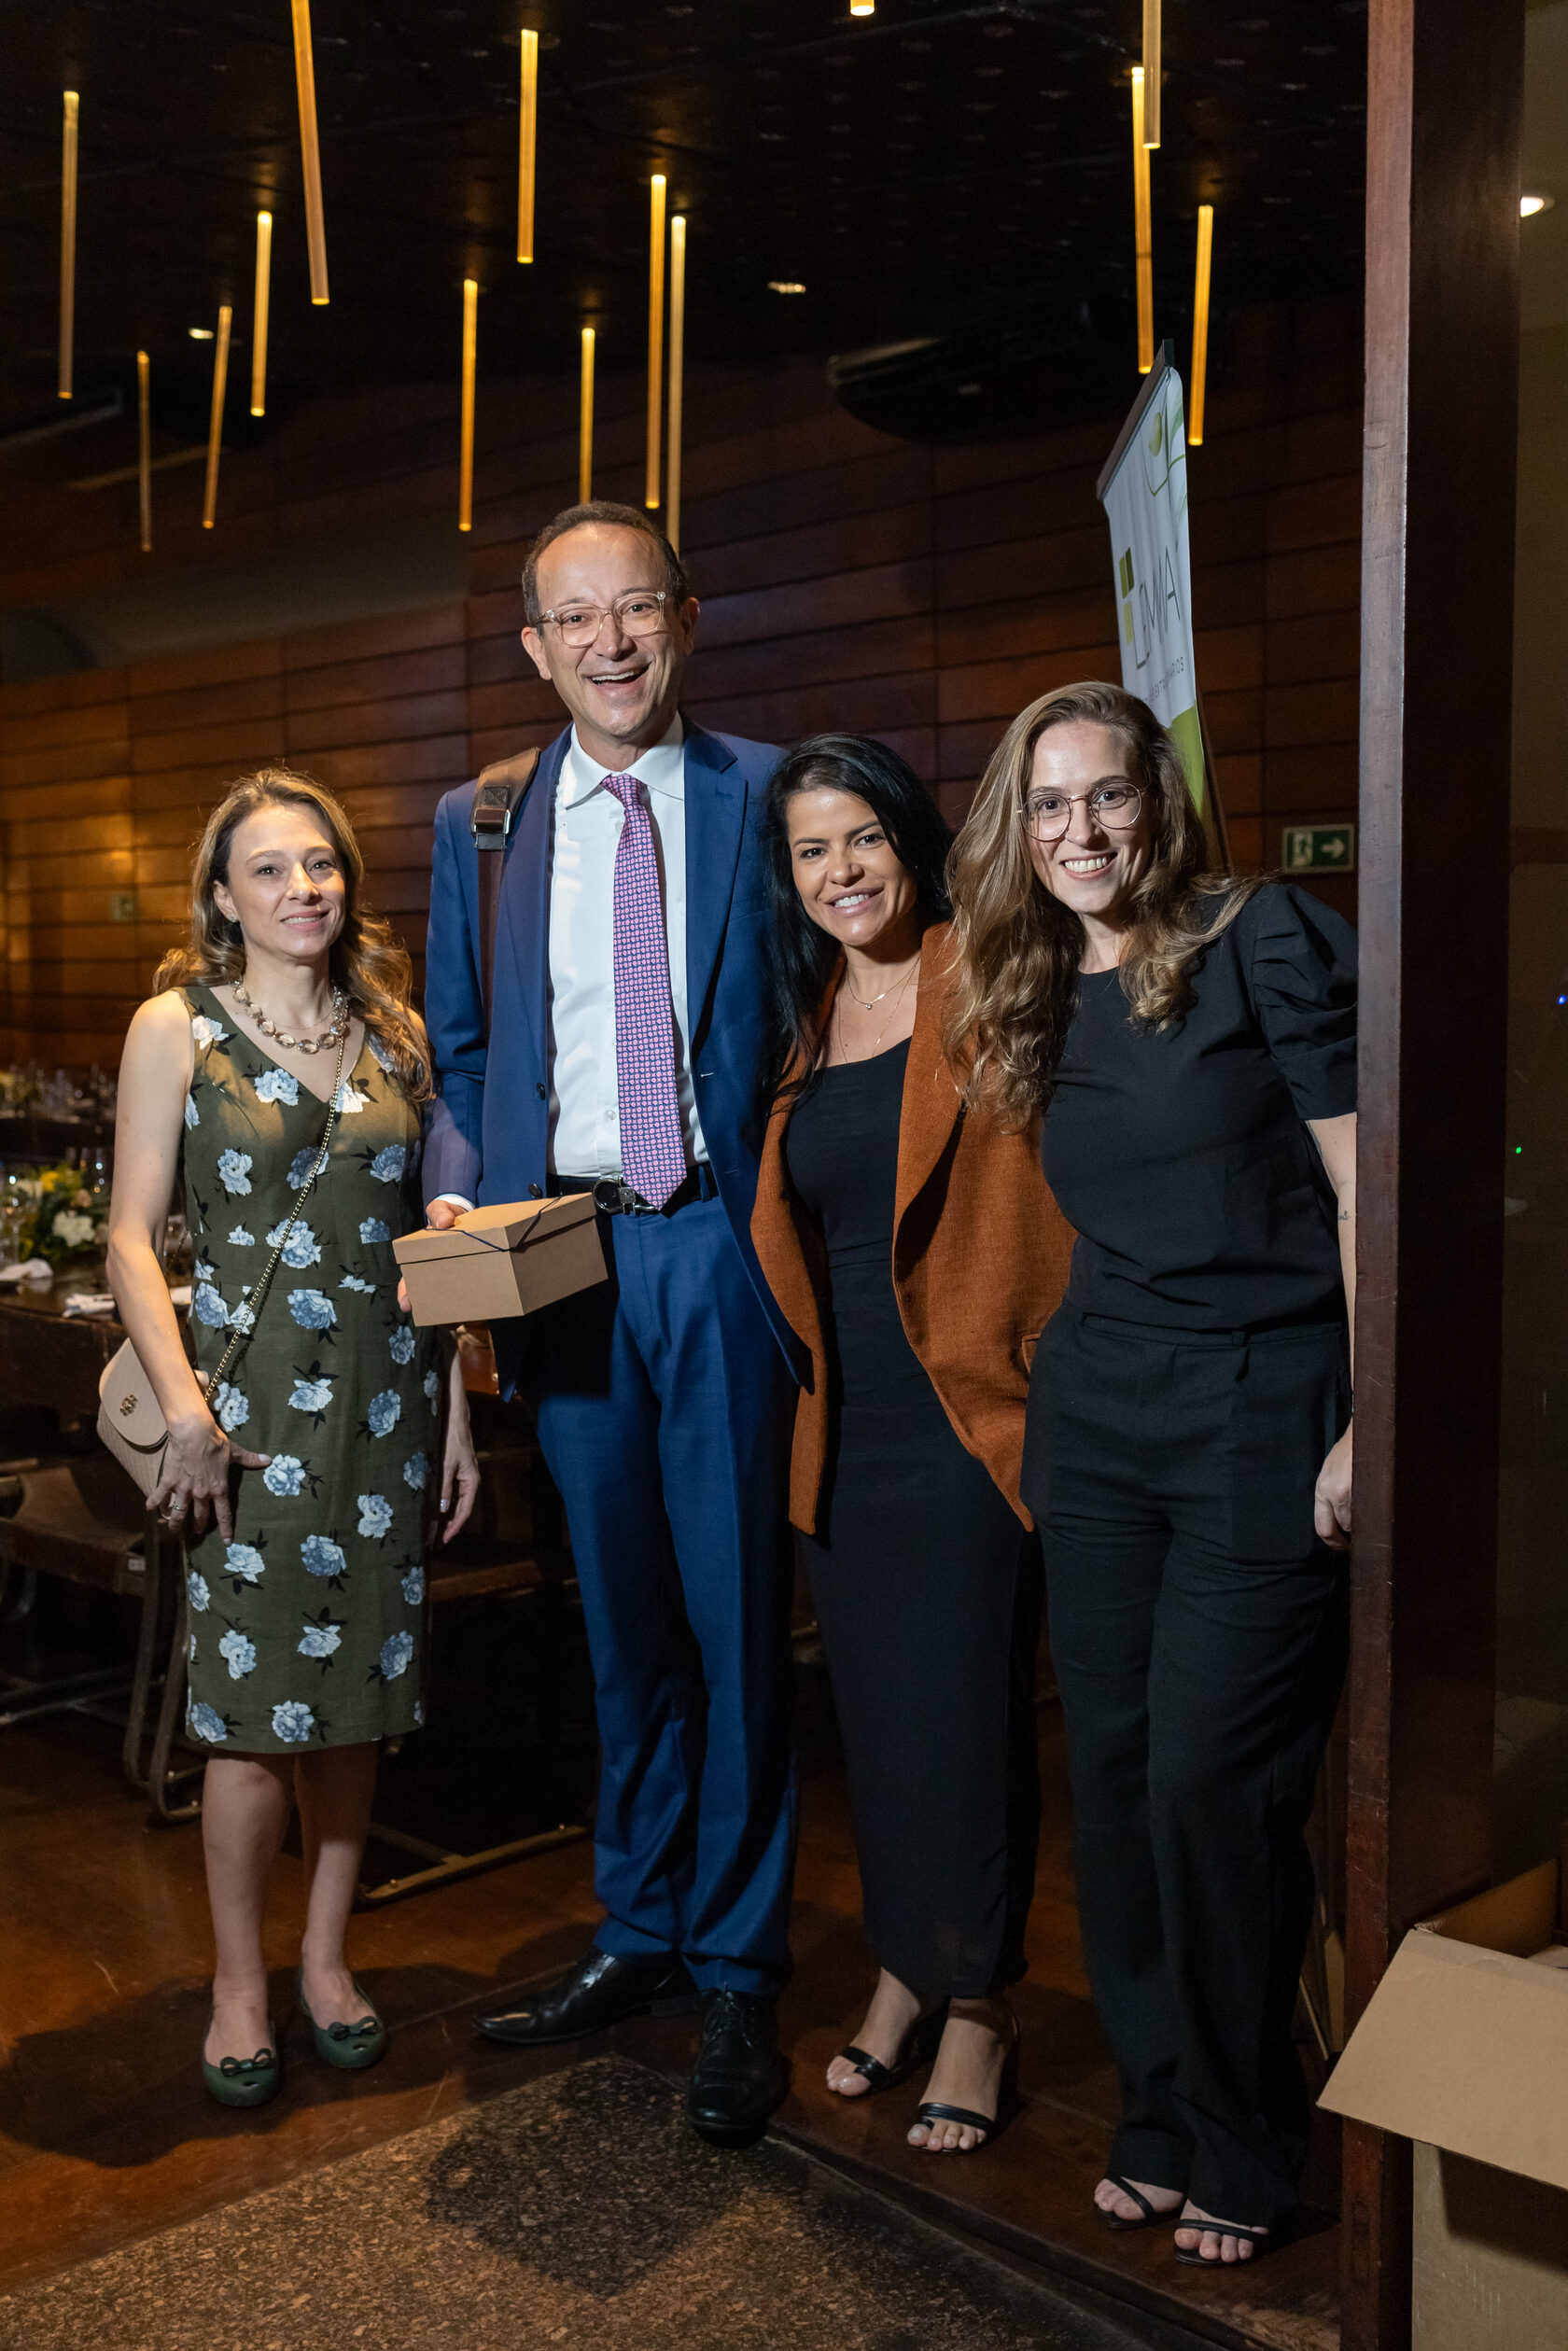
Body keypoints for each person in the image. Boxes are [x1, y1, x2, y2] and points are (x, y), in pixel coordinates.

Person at [945, 681, 1355, 2264]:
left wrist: (1361, 1425)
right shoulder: (1043, 975)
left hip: (1263, 1404)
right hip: (1101, 1415)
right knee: (1111, 1779)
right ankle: (1163, 2103)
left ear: (1159, 802)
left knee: (1212, 1782)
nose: (1079, 833)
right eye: (1047, 808)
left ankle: (1254, 2126)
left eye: (1106, 797)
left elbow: (1362, 1190)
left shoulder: (1264, 938)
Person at [419, 500, 801, 2146]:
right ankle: (637, 1927)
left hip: (716, 1240)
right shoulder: (482, 820)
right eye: (576, 621)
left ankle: (737, 1967)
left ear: (688, 621)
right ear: (535, 647)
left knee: (733, 1623)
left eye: (636, 609)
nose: (611, 643)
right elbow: (458, 1043)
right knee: (621, 1624)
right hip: (563, 1258)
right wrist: (460, 1192)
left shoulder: (769, 792)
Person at [108, 769, 479, 2108]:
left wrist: (454, 1417)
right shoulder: (179, 1027)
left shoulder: (397, 1032)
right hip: (246, 1423)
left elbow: (424, 1252)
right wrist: (191, 1418)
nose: (302, 889)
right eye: (269, 870)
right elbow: (130, 1240)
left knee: (355, 1708)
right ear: (223, 896)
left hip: (385, 1413)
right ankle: (237, 1984)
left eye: (319, 864)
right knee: (251, 1720)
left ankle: (325, 1960)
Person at [749, 735, 1072, 2152]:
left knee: (964, 1722)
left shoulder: (988, 971)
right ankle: (901, 1966)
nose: (840, 871)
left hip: (963, 1411)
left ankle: (981, 2002)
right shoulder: (807, 1012)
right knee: (874, 1727)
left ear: (910, 842)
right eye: (813, 850)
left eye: (862, 839)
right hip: (842, 1429)